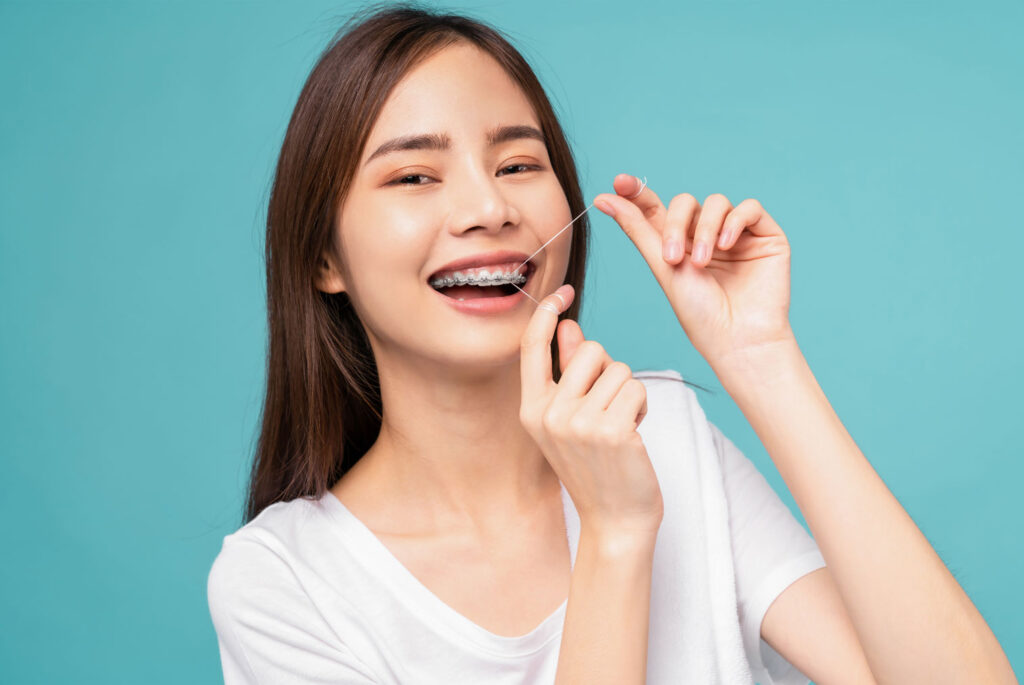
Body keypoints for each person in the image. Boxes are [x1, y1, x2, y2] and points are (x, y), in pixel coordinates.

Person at [206, 4, 1017, 684]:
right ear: (323, 257)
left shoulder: (664, 434)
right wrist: (617, 534)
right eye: (414, 176)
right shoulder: (282, 583)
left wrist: (761, 359)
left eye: (518, 164)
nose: (489, 208)